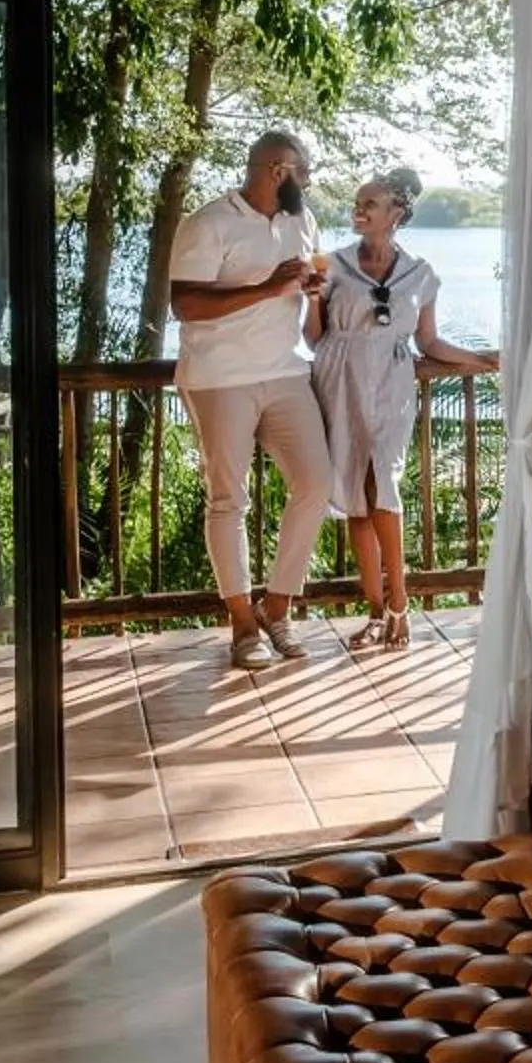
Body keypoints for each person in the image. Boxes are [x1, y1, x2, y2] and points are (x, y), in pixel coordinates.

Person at [308, 166, 499, 649]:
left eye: (368, 203)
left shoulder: (422, 274)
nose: (358, 209)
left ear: (395, 213)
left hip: (393, 380)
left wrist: (482, 360)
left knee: (383, 484)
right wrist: (310, 298)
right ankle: (376, 611)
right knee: (353, 489)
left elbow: (429, 341)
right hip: (340, 375)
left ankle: (400, 605)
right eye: (357, 202)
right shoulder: (332, 266)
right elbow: (313, 337)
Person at [168, 130, 335, 670]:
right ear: (277, 170)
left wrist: (311, 294)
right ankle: (242, 624)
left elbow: (305, 297)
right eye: (304, 172)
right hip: (220, 378)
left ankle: (277, 604)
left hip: (287, 372)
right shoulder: (208, 222)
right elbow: (186, 304)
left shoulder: (300, 222)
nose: (308, 182)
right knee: (228, 501)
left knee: (315, 485)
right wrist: (267, 287)